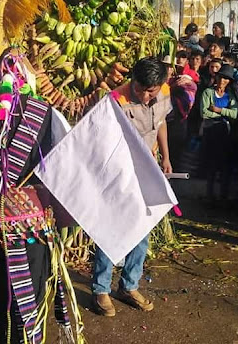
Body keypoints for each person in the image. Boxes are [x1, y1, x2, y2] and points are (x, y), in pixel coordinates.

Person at [0, 50, 83, 342]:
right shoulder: (47, 114)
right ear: (29, 79)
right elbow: (65, 168)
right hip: (30, 230)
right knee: (27, 299)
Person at [93, 57, 172, 317]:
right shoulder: (116, 100)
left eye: (152, 91)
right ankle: (101, 289)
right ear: (133, 81)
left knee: (142, 227)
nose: (146, 96)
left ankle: (129, 285)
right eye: (140, 89)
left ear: (161, 84)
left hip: (147, 170)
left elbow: (160, 123)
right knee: (111, 227)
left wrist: (166, 157)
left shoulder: (164, 92)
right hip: (118, 172)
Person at [200, 64, 238, 201]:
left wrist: (218, 110)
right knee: (211, 164)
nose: (222, 81)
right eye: (221, 77)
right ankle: (209, 194)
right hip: (210, 132)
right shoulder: (208, 92)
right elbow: (204, 113)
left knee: (224, 164)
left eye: (226, 79)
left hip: (225, 134)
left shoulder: (231, 96)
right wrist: (223, 116)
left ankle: (223, 195)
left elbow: (235, 114)